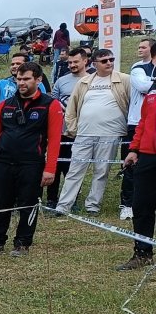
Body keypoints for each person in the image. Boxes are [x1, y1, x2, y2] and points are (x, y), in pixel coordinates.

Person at [0, 62, 62, 258]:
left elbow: (55, 139)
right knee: (1, 204)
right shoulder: (5, 104)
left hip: (31, 164)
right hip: (4, 163)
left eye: (26, 79)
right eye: (19, 79)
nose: (21, 83)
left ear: (38, 80)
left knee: (27, 204)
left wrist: (50, 169)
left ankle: (23, 243)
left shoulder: (51, 104)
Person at [55, 48, 131, 217]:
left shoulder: (124, 79)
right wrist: (73, 129)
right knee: (75, 170)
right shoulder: (84, 82)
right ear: (94, 63)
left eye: (111, 59)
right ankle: (63, 206)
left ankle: (93, 206)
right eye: (104, 61)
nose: (109, 63)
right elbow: (71, 108)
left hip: (111, 133)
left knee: (101, 170)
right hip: (84, 133)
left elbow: (133, 104)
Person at [119, 83, 155, 269]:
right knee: (141, 206)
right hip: (147, 156)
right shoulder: (152, 90)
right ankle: (142, 253)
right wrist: (134, 149)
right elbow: (144, 121)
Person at [47, 48, 88, 208]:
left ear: (85, 61)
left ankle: (72, 199)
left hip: (82, 132)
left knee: (74, 167)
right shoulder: (61, 81)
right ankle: (51, 199)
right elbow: (53, 103)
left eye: (75, 62)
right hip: (61, 131)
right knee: (55, 165)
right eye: (70, 62)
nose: (72, 65)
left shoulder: (92, 80)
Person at [120, 38, 156, 220]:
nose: (139, 49)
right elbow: (143, 86)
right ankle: (126, 204)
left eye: (143, 47)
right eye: (138, 46)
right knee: (132, 164)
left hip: (151, 123)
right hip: (136, 122)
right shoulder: (138, 67)